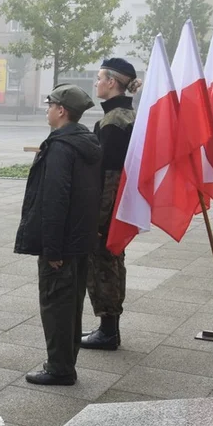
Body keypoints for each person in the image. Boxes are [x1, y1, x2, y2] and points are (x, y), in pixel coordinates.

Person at [14, 85, 102, 386]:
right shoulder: (86, 142)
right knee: (71, 304)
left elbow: (54, 201)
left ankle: (60, 368)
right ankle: (65, 361)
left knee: (56, 306)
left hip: (62, 244)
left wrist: (52, 251)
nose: (47, 108)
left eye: (50, 104)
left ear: (61, 110)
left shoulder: (62, 148)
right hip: (79, 241)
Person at [81, 58, 141, 351]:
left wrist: (98, 220)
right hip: (118, 206)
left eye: (99, 78)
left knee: (103, 262)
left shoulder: (114, 122)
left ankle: (108, 331)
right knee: (113, 261)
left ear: (112, 82)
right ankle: (108, 328)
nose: (96, 83)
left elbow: (110, 176)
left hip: (108, 207)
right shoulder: (123, 116)